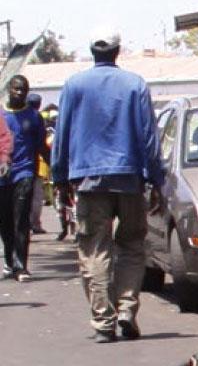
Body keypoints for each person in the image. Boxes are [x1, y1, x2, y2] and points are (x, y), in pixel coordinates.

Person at [51, 26, 165, 343]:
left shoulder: (74, 86)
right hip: (129, 180)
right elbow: (149, 137)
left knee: (94, 250)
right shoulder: (135, 85)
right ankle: (127, 310)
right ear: (117, 51)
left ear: (93, 52)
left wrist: (60, 179)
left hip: (89, 182)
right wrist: (157, 180)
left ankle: (104, 320)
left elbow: (61, 137)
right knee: (131, 246)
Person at [0, 76, 46, 282]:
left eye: (24, 90)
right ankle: (9, 262)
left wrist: (58, 167)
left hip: (24, 172)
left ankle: (21, 266)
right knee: (5, 222)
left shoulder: (34, 117)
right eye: (17, 89)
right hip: (2, 176)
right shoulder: (1, 114)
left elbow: (42, 146)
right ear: (9, 89)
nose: (20, 93)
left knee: (21, 220)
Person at [26, 93, 49, 235]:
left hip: (20, 167)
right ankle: (33, 224)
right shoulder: (37, 118)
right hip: (35, 167)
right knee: (35, 198)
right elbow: (42, 145)